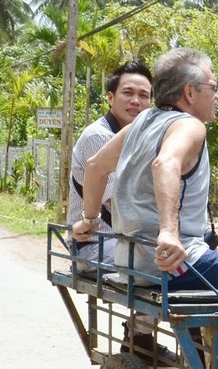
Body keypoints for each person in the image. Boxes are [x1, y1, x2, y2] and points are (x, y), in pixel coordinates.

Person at [73, 48, 218, 296]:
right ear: (190, 92)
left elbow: (96, 166)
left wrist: (89, 220)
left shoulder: (143, 120)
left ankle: (195, 334)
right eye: (213, 87)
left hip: (131, 264)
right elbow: (165, 164)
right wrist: (169, 233)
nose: (217, 95)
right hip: (173, 265)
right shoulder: (190, 125)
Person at [67, 59, 153, 269]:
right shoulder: (99, 136)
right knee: (170, 266)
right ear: (110, 98)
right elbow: (121, 201)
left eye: (143, 95)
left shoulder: (139, 138)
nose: (135, 101)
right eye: (128, 93)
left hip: (127, 242)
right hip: (94, 243)